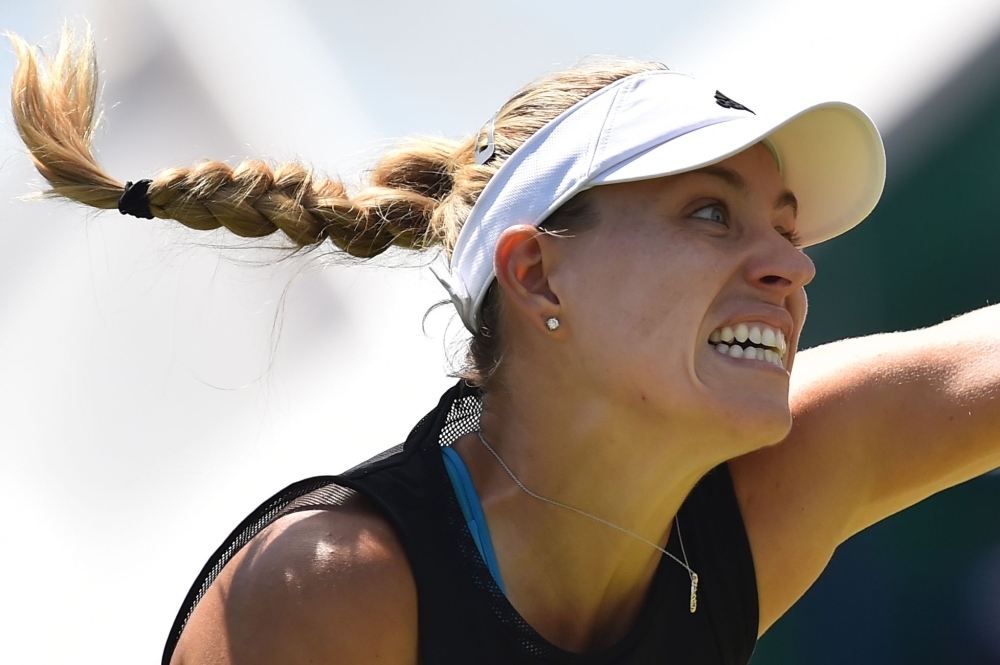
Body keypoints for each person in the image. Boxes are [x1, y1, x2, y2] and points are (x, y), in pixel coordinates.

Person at [10, 29, 1000, 665]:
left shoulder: (771, 488)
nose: (792, 263)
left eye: (786, 225)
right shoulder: (332, 588)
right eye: (712, 213)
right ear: (534, 276)